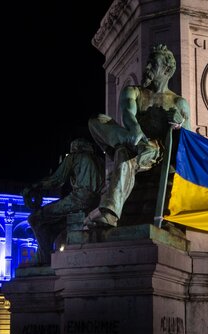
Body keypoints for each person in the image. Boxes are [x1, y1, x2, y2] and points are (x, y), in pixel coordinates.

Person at [84, 43, 190, 228]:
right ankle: (134, 143)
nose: (147, 68)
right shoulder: (133, 91)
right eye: (147, 63)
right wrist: (135, 130)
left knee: (124, 155)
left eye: (153, 64)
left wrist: (179, 124)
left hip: (154, 151)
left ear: (167, 69)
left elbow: (188, 145)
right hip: (130, 138)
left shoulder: (178, 102)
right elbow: (127, 113)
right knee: (96, 120)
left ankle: (109, 213)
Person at [22, 138, 104, 265]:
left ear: (75, 148)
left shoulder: (75, 157)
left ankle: (44, 260)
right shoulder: (100, 161)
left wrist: (33, 187)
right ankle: (46, 256)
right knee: (53, 227)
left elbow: (56, 180)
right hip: (96, 202)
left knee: (35, 218)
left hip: (79, 199)